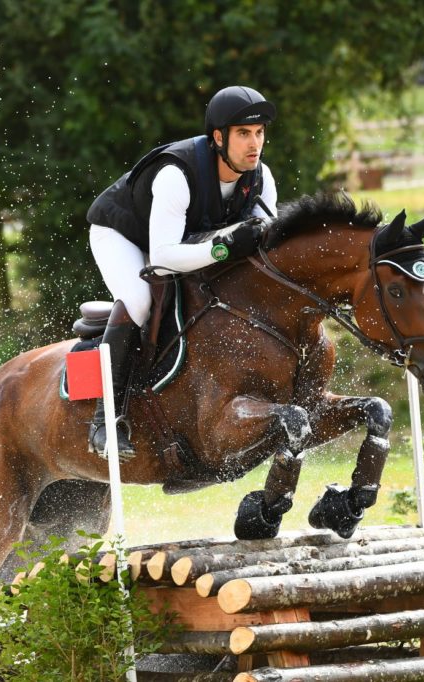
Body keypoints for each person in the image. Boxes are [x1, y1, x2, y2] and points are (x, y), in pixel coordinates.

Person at [85, 85, 279, 457]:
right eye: (243, 134)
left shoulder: (261, 178)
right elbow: (161, 258)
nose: (254, 144)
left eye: (259, 133)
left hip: (182, 241)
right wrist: (222, 248)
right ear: (218, 137)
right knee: (141, 301)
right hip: (124, 235)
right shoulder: (178, 173)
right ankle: (106, 421)